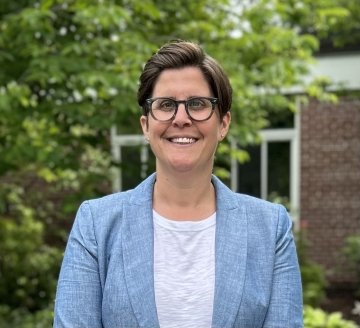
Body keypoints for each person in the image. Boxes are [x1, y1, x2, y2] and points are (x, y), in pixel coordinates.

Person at [53, 40, 303, 328]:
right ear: (146, 125)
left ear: (223, 124)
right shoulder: (96, 224)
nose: (181, 119)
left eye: (197, 104)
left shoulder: (271, 228)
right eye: (166, 105)